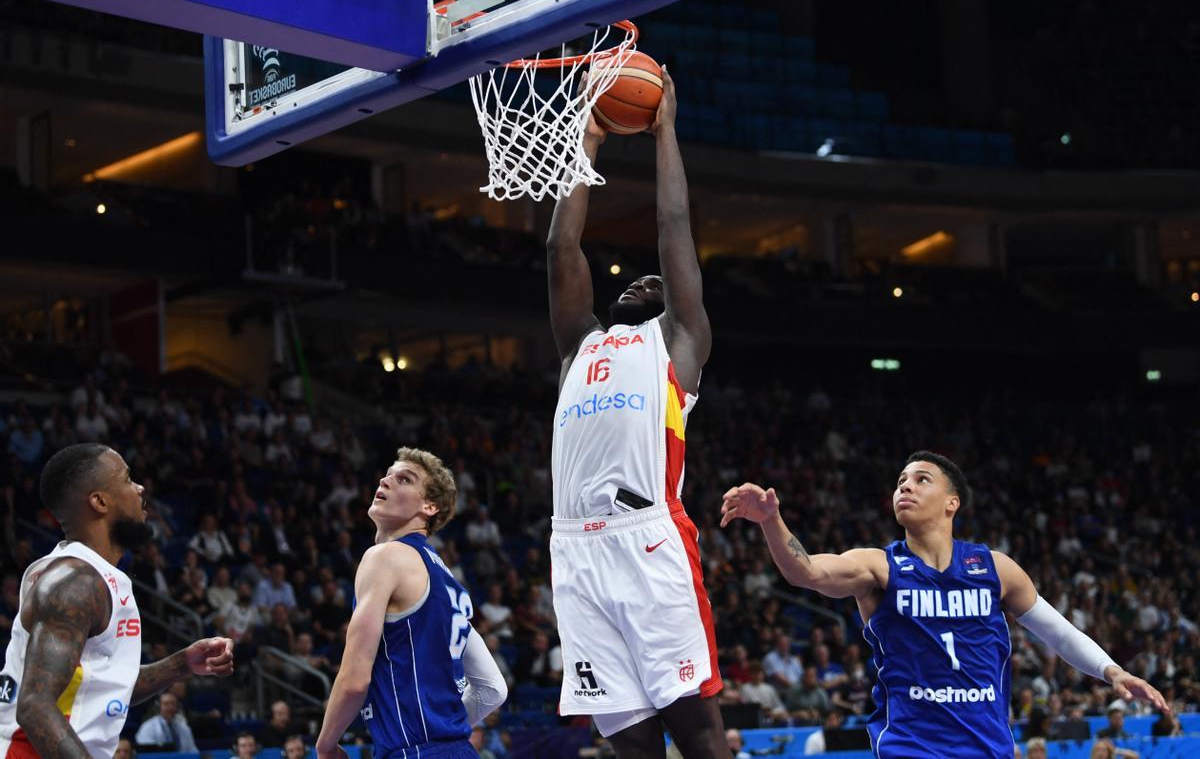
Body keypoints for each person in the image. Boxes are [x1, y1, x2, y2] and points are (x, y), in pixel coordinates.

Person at [720, 451, 1169, 758]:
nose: (905, 487)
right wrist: (771, 521)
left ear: (952, 502)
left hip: (988, 745)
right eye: (900, 482)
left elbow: (1057, 631)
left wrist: (1113, 671)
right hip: (912, 745)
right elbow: (808, 572)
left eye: (921, 479)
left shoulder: (995, 567)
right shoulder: (879, 567)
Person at [546, 68, 724, 758]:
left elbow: (673, 224)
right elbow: (563, 248)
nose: (641, 280)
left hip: (648, 542)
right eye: (632, 279)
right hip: (574, 552)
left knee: (698, 738)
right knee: (632, 746)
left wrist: (663, 132)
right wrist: (586, 137)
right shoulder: (578, 344)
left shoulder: (677, 344)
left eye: (654, 281)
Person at [0, 443, 235, 757]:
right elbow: (34, 707)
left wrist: (181, 663)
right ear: (99, 502)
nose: (139, 488)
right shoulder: (74, 582)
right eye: (126, 479)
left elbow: (100, 686)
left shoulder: (89, 575)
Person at [315, 447, 507, 758]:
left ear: (429, 506)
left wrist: (325, 746)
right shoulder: (449, 583)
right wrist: (445, 732)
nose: (385, 480)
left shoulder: (385, 557)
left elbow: (354, 680)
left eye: (403, 479)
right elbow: (493, 689)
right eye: (387, 474)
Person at [134, 691, 199, 752]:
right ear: (159, 707)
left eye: (173, 704)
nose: (170, 707)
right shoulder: (148, 727)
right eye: (166, 704)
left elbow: (193, 752)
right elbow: (145, 751)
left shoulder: (184, 728)